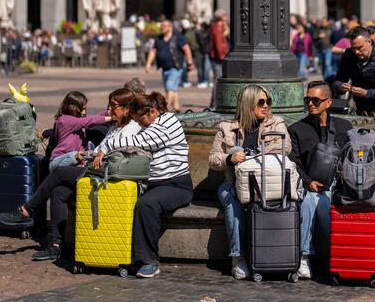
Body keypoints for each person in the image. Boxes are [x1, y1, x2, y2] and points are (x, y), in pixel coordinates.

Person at [0, 88, 140, 261]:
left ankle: (26, 209)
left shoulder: (131, 128)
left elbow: (120, 147)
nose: (109, 109)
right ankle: (56, 246)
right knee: (58, 191)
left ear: (126, 108)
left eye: (113, 106)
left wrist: (101, 151)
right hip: (96, 169)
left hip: (108, 175)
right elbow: (100, 143)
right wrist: (95, 152)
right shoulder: (115, 127)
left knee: (59, 173)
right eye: (109, 105)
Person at [90, 91, 192, 278]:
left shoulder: (168, 122)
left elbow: (139, 141)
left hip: (175, 185)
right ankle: (115, 253)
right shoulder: (150, 123)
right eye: (137, 121)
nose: (140, 124)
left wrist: (106, 146)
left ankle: (149, 261)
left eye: (141, 120)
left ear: (152, 111)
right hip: (151, 184)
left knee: (146, 205)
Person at [208, 85, 290, 280]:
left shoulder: (276, 123)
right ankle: (238, 258)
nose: (265, 106)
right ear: (247, 104)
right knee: (233, 202)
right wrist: (230, 158)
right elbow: (213, 159)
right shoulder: (226, 128)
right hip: (234, 184)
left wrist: (252, 155)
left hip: (265, 183)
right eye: (260, 102)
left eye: (268, 101)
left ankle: (275, 255)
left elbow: (285, 147)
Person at [288, 81, 352, 280]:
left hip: (340, 186)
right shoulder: (297, 129)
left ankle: (341, 255)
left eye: (315, 100)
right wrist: (309, 182)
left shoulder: (344, 126)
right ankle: (304, 256)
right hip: (311, 187)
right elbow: (294, 164)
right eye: (307, 99)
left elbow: (352, 159)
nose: (310, 103)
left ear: (329, 102)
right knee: (312, 201)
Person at [332, 26, 375, 118]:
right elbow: (337, 81)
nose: (356, 52)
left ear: (369, 42)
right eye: (353, 48)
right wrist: (340, 86)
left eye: (360, 47)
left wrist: (367, 93)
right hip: (361, 108)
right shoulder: (348, 55)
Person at [47, 91, 107, 171]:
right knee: (75, 155)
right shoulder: (64, 120)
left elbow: (97, 117)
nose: (84, 112)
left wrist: (110, 112)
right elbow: (91, 120)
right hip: (58, 161)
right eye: (83, 109)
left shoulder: (79, 123)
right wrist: (111, 118)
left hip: (74, 161)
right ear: (74, 108)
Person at [145, 20, 194, 112]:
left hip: (176, 67)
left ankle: (165, 109)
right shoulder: (159, 38)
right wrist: (148, 64)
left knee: (169, 86)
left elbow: (186, 48)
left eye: (164, 26)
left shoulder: (178, 37)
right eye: (162, 26)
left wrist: (190, 62)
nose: (162, 27)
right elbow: (153, 51)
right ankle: (177, 109)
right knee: (172, 89)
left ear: (170, 27)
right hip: (165, 69)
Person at [210, 10, 229, 79]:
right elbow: (218, 44)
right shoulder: (217, 28)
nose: (227, 17)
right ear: (221, 17)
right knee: (219, 78)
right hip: (219, 57)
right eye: (225, 15)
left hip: (221, 56)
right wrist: (222, 56)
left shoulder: (221, 27)